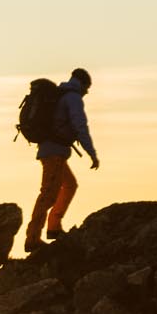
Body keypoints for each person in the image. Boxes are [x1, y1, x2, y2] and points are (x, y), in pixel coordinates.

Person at [24, 67, 98, 253]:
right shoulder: (73, 98)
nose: (86, 93)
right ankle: (33, 238)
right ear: (83, 85)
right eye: (87, 89)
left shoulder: (62, 94)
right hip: (54, 153)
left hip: (53, 151)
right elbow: (80, 126)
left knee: (70, 185)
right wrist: (91, 153)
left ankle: (54, 227)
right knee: (48, 194)